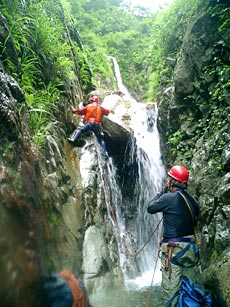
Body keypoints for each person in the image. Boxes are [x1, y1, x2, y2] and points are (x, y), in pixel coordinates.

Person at [147, 165, 200, 304]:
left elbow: (150, 207)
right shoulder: (193, 201)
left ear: (171, 181)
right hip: (190, 249)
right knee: (191, 289)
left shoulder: (167, 198)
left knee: (171, 293)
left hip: (173, 249)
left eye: (169, 179)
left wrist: (161, 192)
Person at [68, 95, 110, 159]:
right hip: (97, 125)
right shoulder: (100, 107)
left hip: (89, 123)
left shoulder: (88, 106)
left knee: (80, 130)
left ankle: (73, 139)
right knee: (100, 139)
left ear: (91, 101)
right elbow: (107, 112)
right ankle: (105, 153)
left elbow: (80, 111)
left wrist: (74, 111)